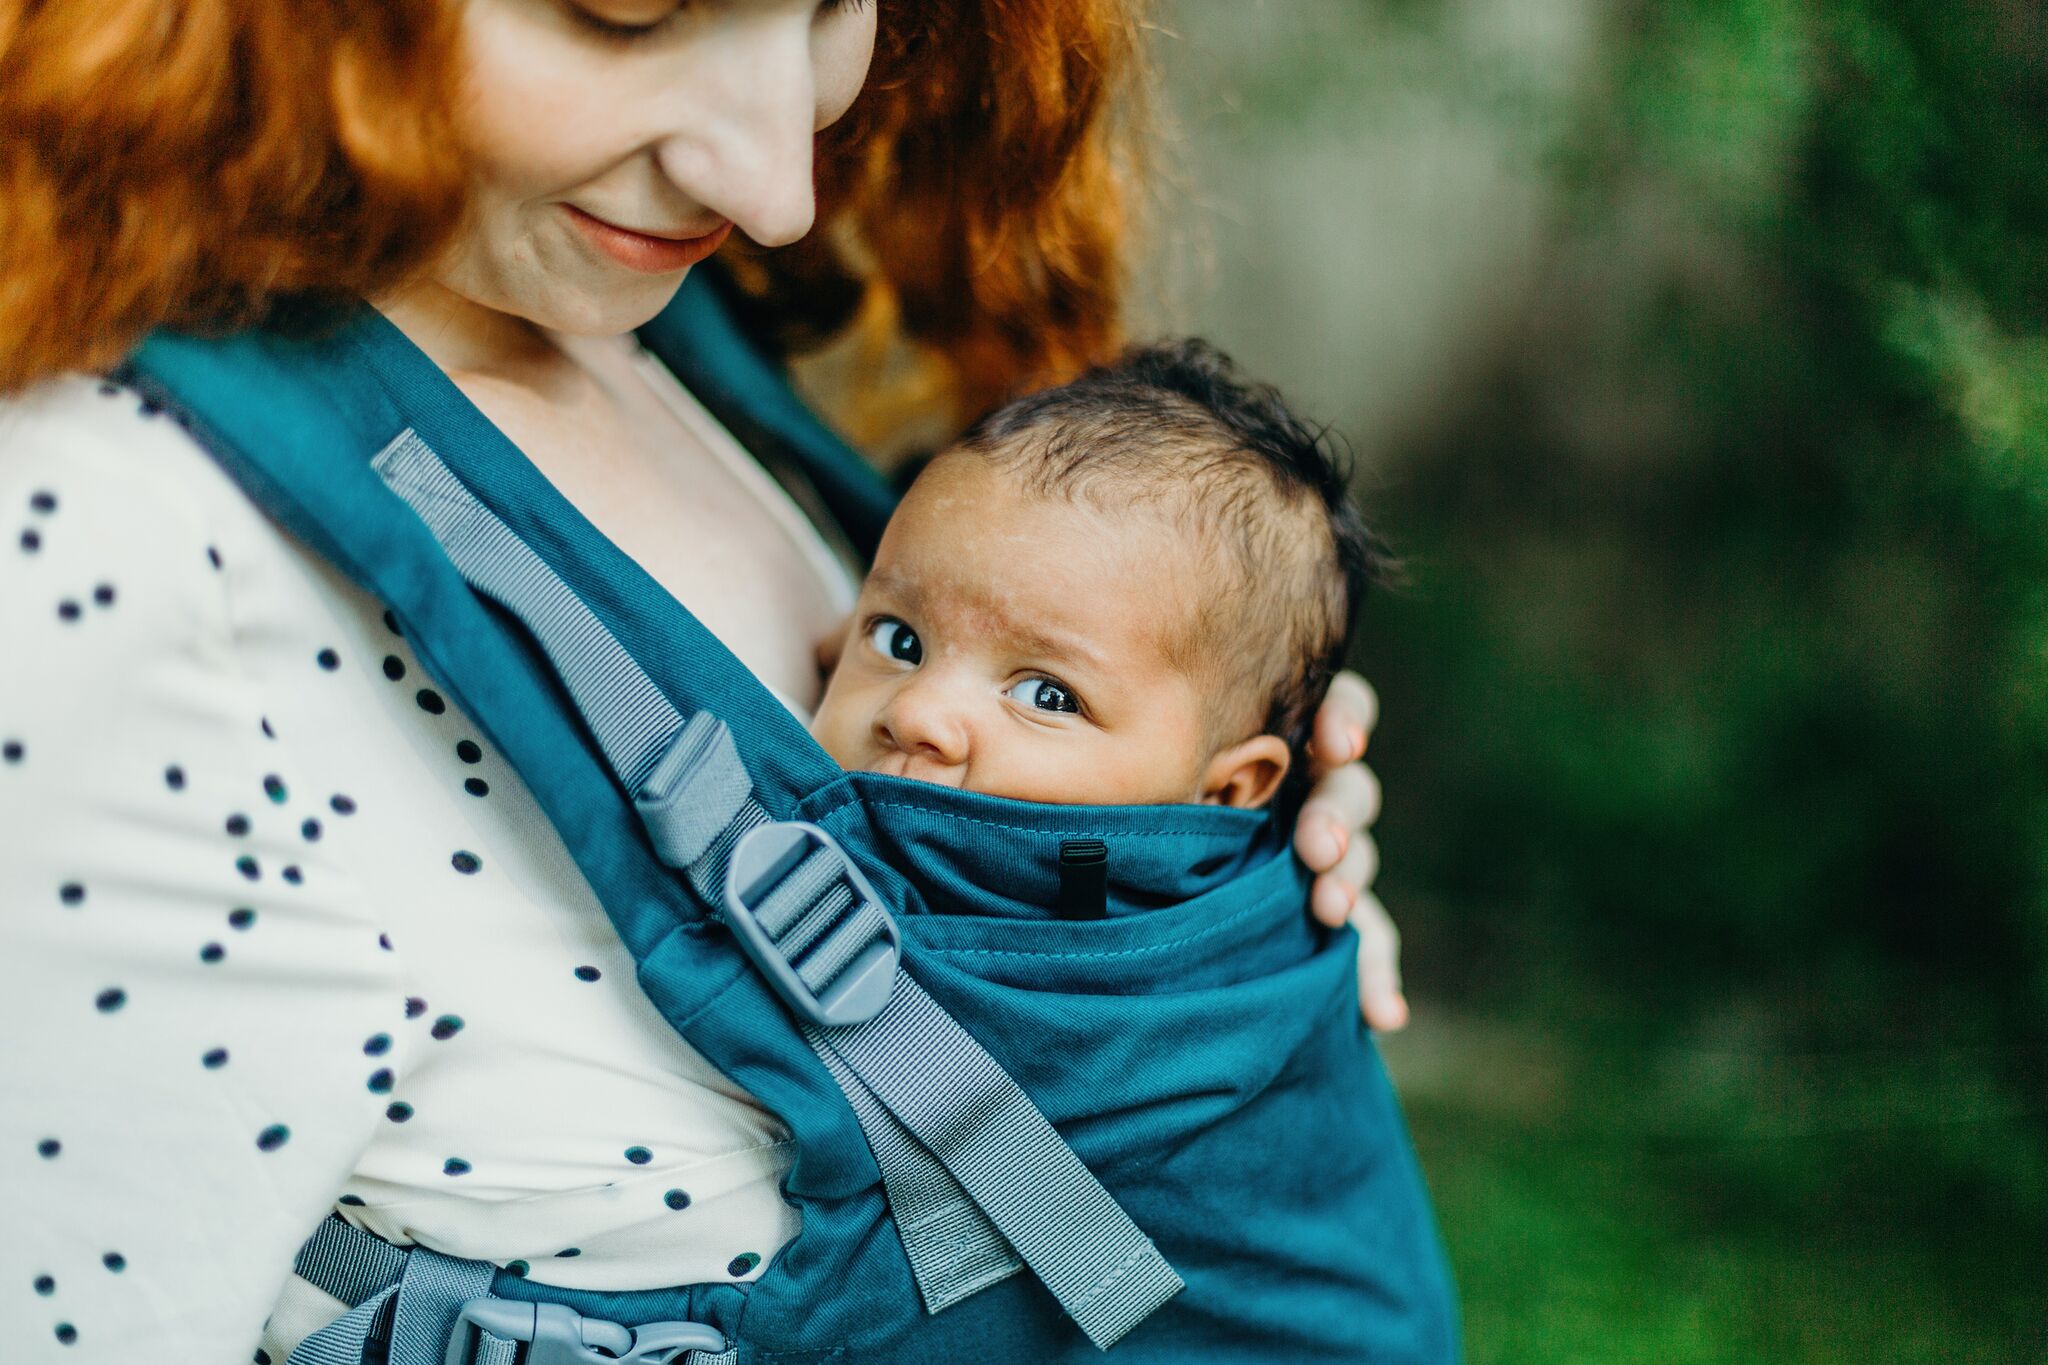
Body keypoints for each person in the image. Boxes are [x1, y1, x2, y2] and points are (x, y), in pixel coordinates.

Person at [0, 1, 1408, 1359]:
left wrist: (1208, 903)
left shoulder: (657, 313)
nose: (779, 182)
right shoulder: (104, 543)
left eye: (831, 5)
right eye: (629, 9)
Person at [813, 338, 1383, 816]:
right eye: (900, 640)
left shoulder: (1161, 948)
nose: (914, 714)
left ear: (1227, 790)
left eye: (1049, 696)